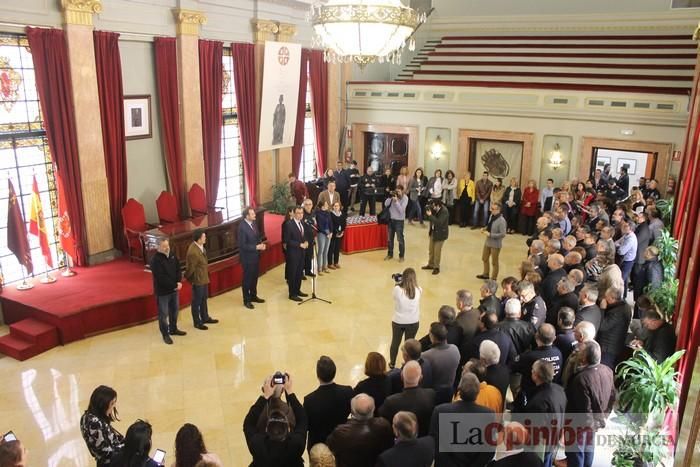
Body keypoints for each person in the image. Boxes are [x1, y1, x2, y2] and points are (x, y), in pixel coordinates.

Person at [565, 341, 615, 467]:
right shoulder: (607, 370)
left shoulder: (581, 379)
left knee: (576, 454)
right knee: (589, 448)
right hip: (594, 421)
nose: (577, 352)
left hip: (578, 424)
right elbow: (613, 397)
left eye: (580, 351)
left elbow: (584, 409)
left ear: (584, 358)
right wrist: (603, 417)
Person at [429, 373, 496, 467]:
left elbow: (434, 444)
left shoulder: (440, 411)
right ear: (477, 392)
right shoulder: (489, 415)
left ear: (459, 390)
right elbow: (489, 451)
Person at [243, 374, 307, 467]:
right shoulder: (296, 445)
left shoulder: (258, 446)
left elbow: (248, 423)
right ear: (288, 429)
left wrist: (265, 396)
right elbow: (303, 418)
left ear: (266, 430)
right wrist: (289, 392)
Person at [516, 360, 567, 467]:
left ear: (536, 375)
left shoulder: (538, 402)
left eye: (532, 370)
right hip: (554, 438)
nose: (531, 372)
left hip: (541, 446)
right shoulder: (559, 390)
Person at [326, 394, 394, 467]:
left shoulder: (340, 432)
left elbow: (330, 445)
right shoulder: (384, 425)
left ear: (352, 411)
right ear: (374, 408)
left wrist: (349, 421)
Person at [303, 356, 354, 450]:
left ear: (317, 375)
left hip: (318, 445)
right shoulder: (348, 391)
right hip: (340, 440)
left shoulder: (309, 400)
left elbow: (307, 426)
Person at [378, 361, 436, 437]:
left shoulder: (391, 402)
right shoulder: (431, 394)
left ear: (402, 376)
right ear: (421, 378)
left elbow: (381, 417)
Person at [512, 324, 563, 410]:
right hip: (552, 394)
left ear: (536, 337)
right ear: (554, 338)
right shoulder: (558, 353)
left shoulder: (528, 357)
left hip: (530, 397)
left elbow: (513, 367)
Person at [149, 238, 185, 344]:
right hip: (163, 292)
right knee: (163, 314)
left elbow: (179, 269)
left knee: (175, 311)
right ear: (158, 247)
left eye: (167, 245)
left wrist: (179, 281)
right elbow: (161, 278)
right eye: (164, 246)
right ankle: (165, 334)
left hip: (174, 289)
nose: (167, 248)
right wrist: (174, 285)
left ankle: (173, 329)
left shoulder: (173, 255)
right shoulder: (155, 260)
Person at [80, 385, 124, 466]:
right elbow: (106, 452)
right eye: (112, 403)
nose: (114, 406)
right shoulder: (94, 423)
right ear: (102, 405)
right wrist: (128, 446)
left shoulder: (87, 416)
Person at [185, 230, 218, 330]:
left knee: (204, 299)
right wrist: (191, 280)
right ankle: (197, 322)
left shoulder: (200, 247)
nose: (205, 238)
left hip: (203, 278)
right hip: (198, 280)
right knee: (197, 301)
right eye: (204, 237)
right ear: (199, 239)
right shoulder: (193, 252)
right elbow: (190, 269)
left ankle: (205, 317)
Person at [389, 268, 422, 368]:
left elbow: (394, 297)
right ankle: (408, 364)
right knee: (409, 345)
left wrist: (398, 282)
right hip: (413, 321)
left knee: (395, 342)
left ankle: (392, 363)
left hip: (398, 321)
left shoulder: (398, 290)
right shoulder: (419, 290)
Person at [421, 322, 461, 404]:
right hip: (450, 390)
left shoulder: (426, 356)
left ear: (432, 336)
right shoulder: (455, 349)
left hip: (433, 393)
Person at [597, 286, 632, 369]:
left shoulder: (618, 312)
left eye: (606, 297)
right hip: (615, 344)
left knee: (604, 368)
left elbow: (602, 326)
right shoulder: (625, 305)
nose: (604, 299)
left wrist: (602, 309)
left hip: (608, 347)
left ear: (613, 299)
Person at [238, 207, 266, 310]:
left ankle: (253, 296)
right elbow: (242, 245)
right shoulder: (242, 227)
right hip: (247, 258)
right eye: (252, 214)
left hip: (255, 256)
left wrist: (261, 244)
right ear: (247, 216)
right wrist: (255, 247)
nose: (255, 215)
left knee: (254, 277)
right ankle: (247, 300)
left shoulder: (253, 223)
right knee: (247, 279)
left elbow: (257, 237)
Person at [284, 207, 310, 302]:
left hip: (302, 253)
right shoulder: (289, 225)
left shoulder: (302, 223)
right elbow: (287, 241)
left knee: (299, 273)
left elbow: (304, 235)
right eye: (298, 213)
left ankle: (298, 290)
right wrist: (299, 244)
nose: (300, 215)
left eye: (302, 213)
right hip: (293, 253)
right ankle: (292, 294)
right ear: (294, 214)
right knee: (293, 274)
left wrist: (306, 241)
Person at [561, 321, 597, 388]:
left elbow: (573, 372)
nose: (573, 331)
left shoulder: (583, 353)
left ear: (581, 336)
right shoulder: (593, 347)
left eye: (575, 331)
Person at [477, 203, 507, 281]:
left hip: (495, 244)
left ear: (498, 210)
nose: (491, 210)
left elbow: (503, 234)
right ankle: (486, 274)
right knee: (484, 258)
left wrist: (490, 234)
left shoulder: (502, 221)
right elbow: (489, 225)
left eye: (493, 209)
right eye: (491, 208)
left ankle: (493, 278)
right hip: (488, 242)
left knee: (494, 262)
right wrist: (484, 228)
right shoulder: (492, 216)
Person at [422, 199, 449, 275]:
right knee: (431, 250)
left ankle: (436, 267)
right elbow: (429, 218)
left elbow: (439, 223)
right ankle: (430, 264)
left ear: (438, 205)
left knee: (437, 251)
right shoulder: (433, 209)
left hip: (440, 234)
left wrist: (430, 215)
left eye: (434, 206)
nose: (432, 207)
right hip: (433, 232)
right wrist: (427, 213)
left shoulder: (444, 211)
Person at [384, 185, 408, 262]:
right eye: (396, 191)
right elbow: (386, 204)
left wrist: (396, 201)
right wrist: (390, 197)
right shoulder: (393, 196)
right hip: (391, 220)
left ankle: (401, 256)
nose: (397, 193)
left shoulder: (405, 198)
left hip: (399, 221)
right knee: (390, 239)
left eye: (399, 191)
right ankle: (390, 254)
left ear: (402, 191)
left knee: (400, 239)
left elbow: (401, 211)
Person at [315, 200, 333, 275]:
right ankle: (319, 268)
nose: (327, 205)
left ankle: (325, 267)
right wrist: (326, 233)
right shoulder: (318, 214)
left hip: (329, 232)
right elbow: (319, 226)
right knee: (321, 251)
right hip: (321, 233)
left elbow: (330, 223)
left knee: (326, 251)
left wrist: (331, 232)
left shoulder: (328, 213)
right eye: (326, 204)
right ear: (322, 206)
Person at [328, 201, 346, 269]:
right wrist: (336, 233)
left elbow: (344, 223)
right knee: (331, 249)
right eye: (335, 206)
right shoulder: (331, 214)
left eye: (337, 206)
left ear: (339, 207)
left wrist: (342, 232)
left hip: (340, 234)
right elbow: (331, 225)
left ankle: (336, 262)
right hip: (333, 234)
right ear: (333, 207)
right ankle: (330, 263)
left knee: (337, 249)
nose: (336, 207)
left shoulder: (342, 214)